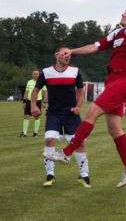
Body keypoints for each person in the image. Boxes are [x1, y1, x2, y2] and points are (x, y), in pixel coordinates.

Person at [42, 6, 126, 189]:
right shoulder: (117, 33)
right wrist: (72, 51)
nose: (123, 13)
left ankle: (66, 153)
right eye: (124, 11)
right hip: (113, 80)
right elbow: (94, 47)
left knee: (91, 112)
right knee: (114, 128)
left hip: (122, 80)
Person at [31, 46, 91, 188]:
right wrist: (34, 105)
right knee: (49, 139)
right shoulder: (46, 72)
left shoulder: (75, 72)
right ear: (56, 55)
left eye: (69, 54)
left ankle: (84, 176)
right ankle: (50, 175)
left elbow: (81, 91)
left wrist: (78, 106)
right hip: (54, 113)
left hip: (71, 113)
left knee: (80, 143)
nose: (67, 56)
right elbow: (36, 90)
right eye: (64, 54)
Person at [18, 70, 47, 137]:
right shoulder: (29, 82)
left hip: (37, 101)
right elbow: (26, 92)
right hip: (29, 101)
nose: (35, 75)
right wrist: (24, 102)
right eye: (34, 74)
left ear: (39, 75)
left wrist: (44, 102)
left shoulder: (41, 82)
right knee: (26, 116)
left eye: (37, 74)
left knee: (36, 116)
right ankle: (24, 133)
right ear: (32, 75)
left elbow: (45, 93)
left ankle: (35, 133)